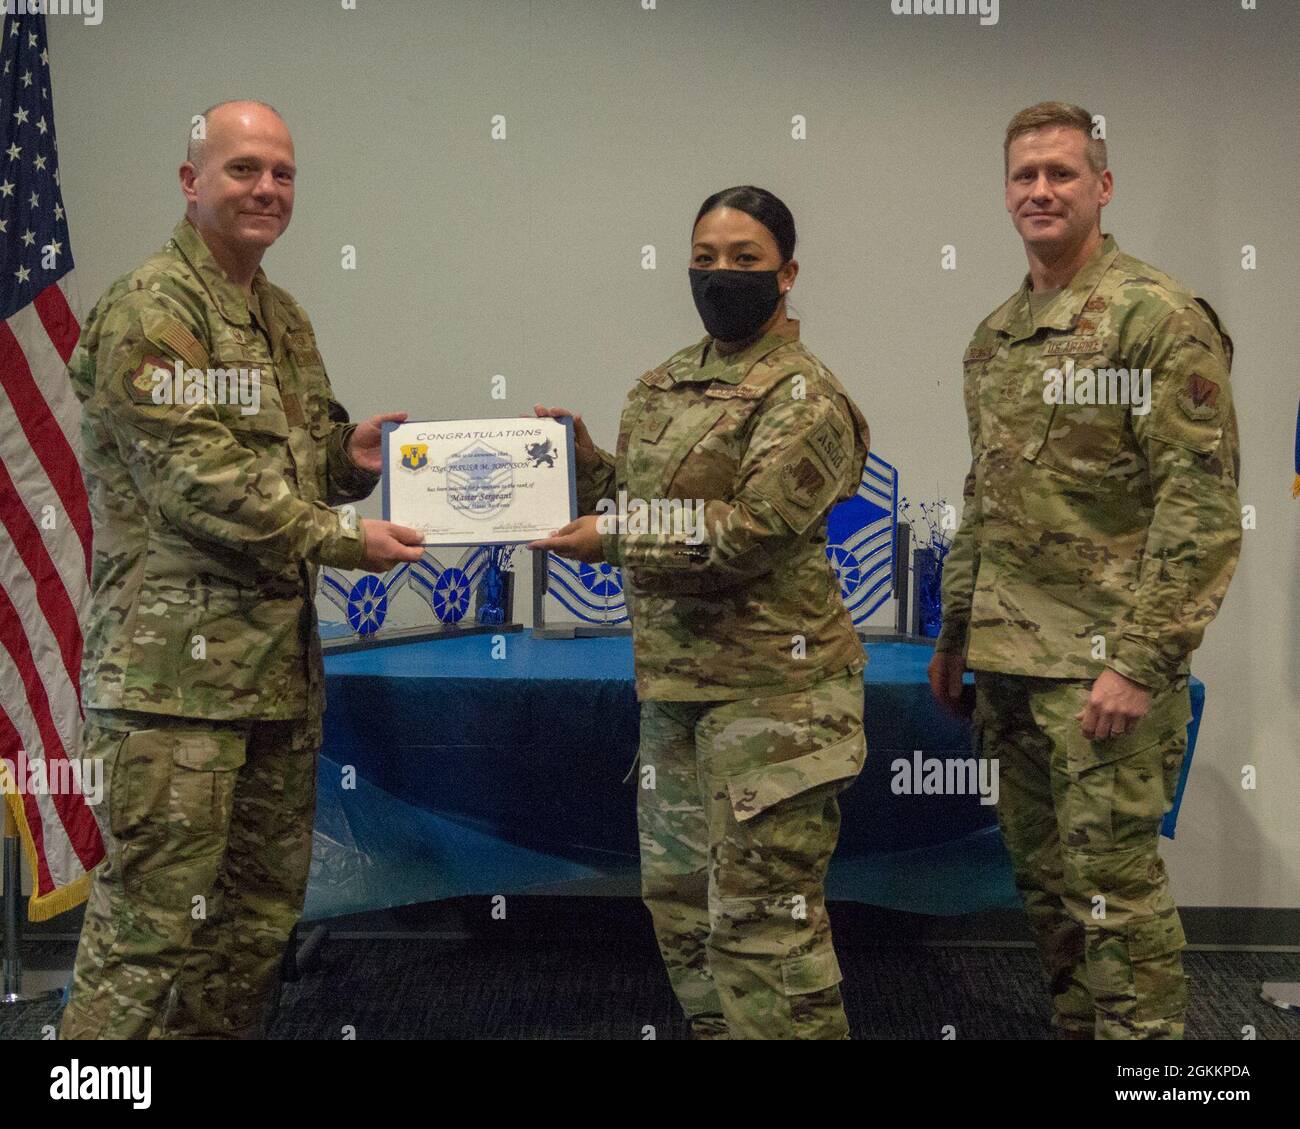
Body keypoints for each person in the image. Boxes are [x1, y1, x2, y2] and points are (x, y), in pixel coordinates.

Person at [60, 100, 425, 1039]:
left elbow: (291, 460)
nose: (267, 188)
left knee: (247, 929)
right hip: (171, 691)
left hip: (270, 682)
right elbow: (201, 485)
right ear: (192, 182)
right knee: (145, 937)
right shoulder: (152, 310)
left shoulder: (280, 315)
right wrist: (348, 541)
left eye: (283, 173)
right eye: (243, 168)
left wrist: (351, 456)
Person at [929, 102, 1242, 1039]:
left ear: (1102, 187)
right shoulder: (995, 337)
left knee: (1115, 899)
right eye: (1025, 175)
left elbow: (1201, 506)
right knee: (1051, 895)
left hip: (1103, 671)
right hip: (1012, 666)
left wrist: (1141, 661)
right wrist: (954, 636)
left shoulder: (1159, 318)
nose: (1041, 190)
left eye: (1062, 173)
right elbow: (985, 498)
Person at [531, 186, 870, 1039]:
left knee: (766, 938)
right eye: (707, 259)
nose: (723, 275)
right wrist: (583, 467)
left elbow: (749, 532)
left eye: (746, 260)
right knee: (685, 918)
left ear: (787, 274)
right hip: (675, 698)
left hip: (775, 705)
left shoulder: (804, 397)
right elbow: (654, 502)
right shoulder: (667, 380)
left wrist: (611, 535)